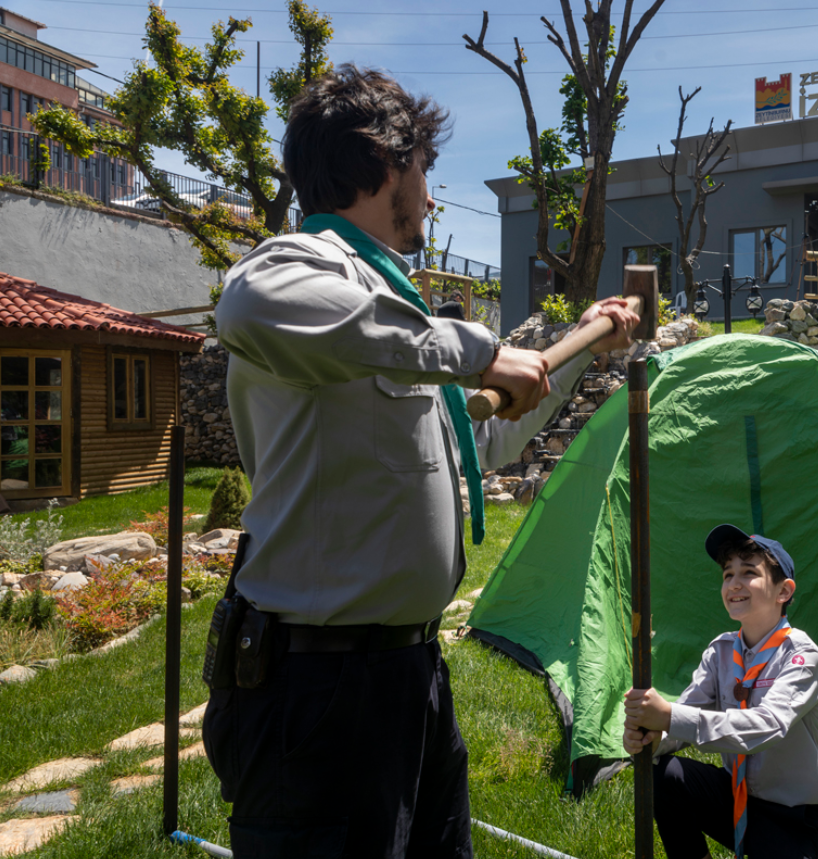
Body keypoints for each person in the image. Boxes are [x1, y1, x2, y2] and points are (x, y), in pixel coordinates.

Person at [203, 64, 638, 858]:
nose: (432, 198)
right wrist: (475, 352)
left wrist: (581, 346)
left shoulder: (387, 308)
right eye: (425, 172)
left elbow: (478, 437)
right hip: (317, 691)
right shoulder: (296, 269)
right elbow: (247, 304)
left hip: (408, 676)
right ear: (382, 159)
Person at [623, 524, 818, 859]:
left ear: (784, 591)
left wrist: (669, 715)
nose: (734, 583)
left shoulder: (801, 655)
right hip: (734, 799)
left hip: (791, 818)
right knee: (660, 772)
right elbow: (682, 719)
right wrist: (650, 738)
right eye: (727, 574)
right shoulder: (721, 651)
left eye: (749, 572)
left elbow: (768, 725)